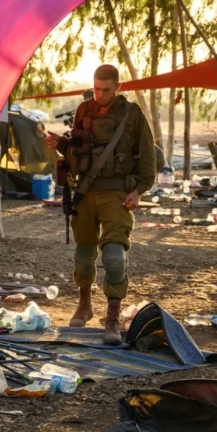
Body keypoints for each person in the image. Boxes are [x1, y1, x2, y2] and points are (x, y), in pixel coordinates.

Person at [45, 64, 155, 344]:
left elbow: (147, 160)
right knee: (83, 255)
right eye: (96, 88)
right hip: (85, 191)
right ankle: (84, 305)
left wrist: (140, 190)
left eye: (106, 90)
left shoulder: (132, 115)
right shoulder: (84, 110)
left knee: (115, 257)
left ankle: (113, 319)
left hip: (117, 193)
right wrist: (60, 143)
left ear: (118, 87)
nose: (100, 94)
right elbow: (76, 148)